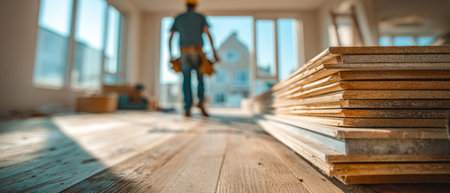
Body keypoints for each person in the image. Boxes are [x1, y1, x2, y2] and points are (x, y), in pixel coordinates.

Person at [169, 0, 219, 117]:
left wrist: (171, 54)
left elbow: (171, 37)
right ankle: (201, 104)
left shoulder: (179, 17)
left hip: (184, 52)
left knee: (186, 80)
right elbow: (208, 33)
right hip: (198, 51)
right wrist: (214, 52)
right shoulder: (200, 17)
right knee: (200, 79)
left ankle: (187, 109)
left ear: (186, 5)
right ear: (195, 5)